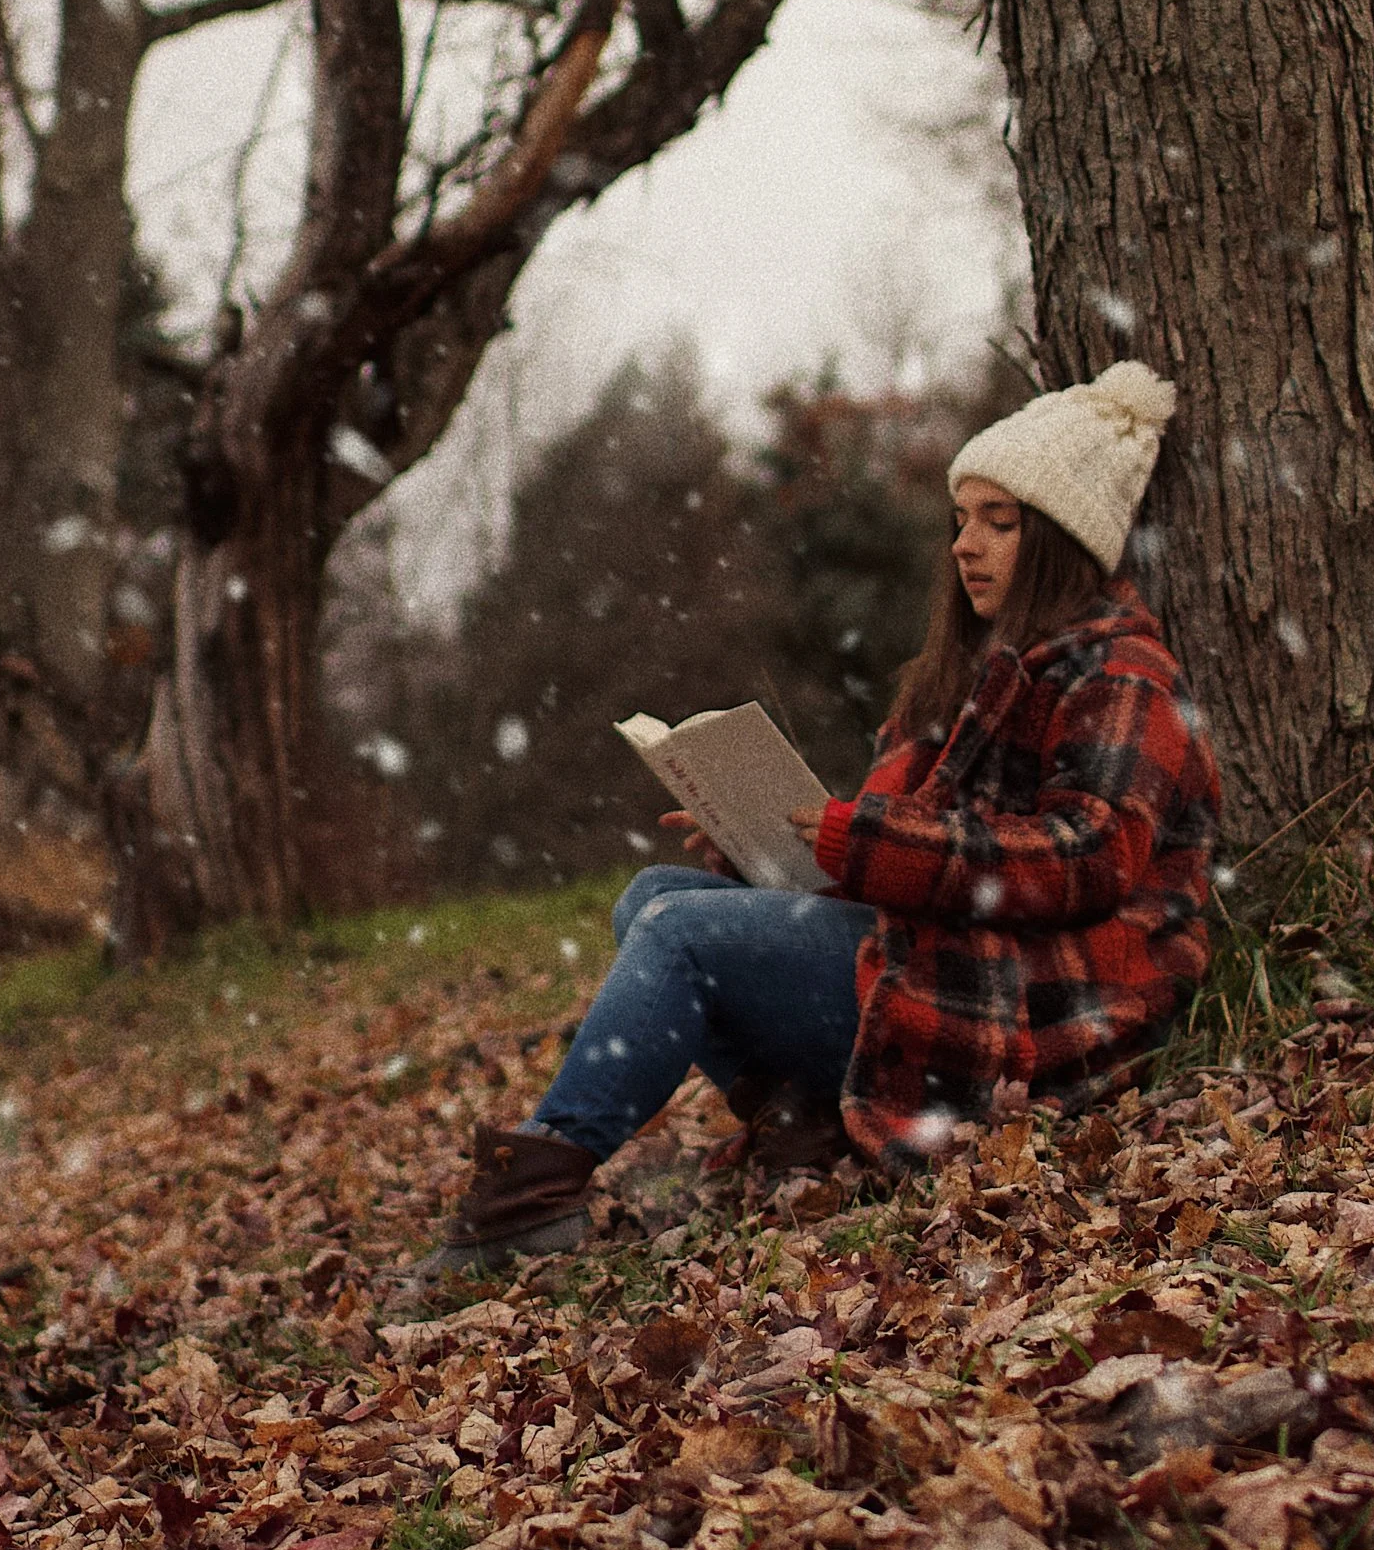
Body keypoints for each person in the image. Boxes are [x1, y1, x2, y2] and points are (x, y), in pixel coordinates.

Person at [420, 360, 1221, 1275]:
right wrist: (757, 841)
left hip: (1032, 999)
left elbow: (1085, 858)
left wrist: (865, 840)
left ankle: (533, 1191)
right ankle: (801, 1126)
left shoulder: (1117, 673)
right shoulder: (974, 671)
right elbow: (894, 850)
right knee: (654, 896)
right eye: (961, 521)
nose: (966, 546)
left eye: (1001, 524)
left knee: (681, 936)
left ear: (1062, 544)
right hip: (945, 956)